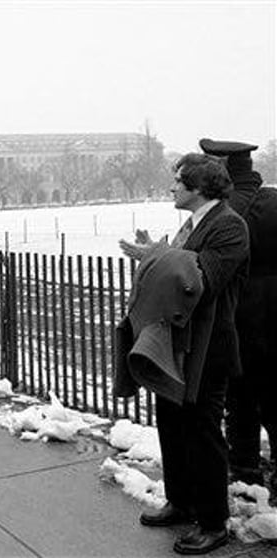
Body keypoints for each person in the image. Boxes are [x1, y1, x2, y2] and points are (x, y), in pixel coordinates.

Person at [119, 153, 248, 555]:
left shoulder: (229, 225)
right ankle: (180, 500)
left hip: (208, 349)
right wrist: (156, 255)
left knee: (202, 432)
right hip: (176, 345)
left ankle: (213, 521)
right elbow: (177, 269)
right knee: (171, 425)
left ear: (199, 187)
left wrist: (151, 257)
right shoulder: (191, 225)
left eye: (178, 181)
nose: (172, 187)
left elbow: (201, 277)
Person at [200, 139, 277, 494]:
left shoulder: (222, 213)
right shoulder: (272, 202)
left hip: (237, 319)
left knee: (240, 398)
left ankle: (245, 471)